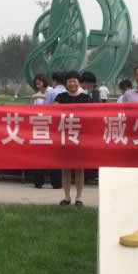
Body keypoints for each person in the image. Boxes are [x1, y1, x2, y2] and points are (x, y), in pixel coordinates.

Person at [55, 71, 92, 206]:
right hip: (64, 138)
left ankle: (79, 198)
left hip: (80, 138)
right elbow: (53, 113)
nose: (72, 83)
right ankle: (66, 197)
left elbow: (91, 116)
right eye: (69, 81)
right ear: (66, 84)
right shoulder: (60, 97)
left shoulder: (86, 98)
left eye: (74, 81)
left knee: (79, 168)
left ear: (79, 82)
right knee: (65, 168)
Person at [31, 73, 61, 190]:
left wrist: (40, 96)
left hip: (52, 126)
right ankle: (38, 181)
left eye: (40, 81)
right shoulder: (37, 94)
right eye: (36, 82)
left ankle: (56, 182)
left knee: (53, 154)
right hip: (40, 125)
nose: (38, 83)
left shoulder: (51, 91)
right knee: (39, 154)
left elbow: (53, 103)